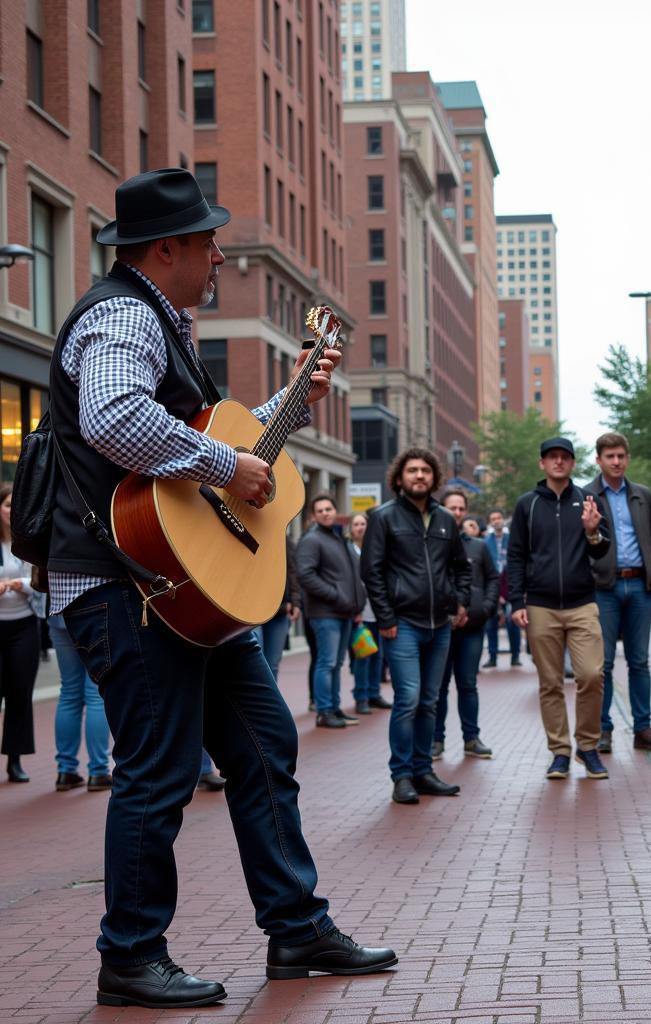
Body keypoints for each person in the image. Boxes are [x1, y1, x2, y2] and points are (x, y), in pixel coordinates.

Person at [46, 169, 396, 1008]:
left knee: (264, 746)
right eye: (205, 242)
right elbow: (113, 418)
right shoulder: (125, 313)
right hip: (122, 583)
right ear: (162, 248)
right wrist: (224, 464)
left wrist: (293, 403)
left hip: (178, 588)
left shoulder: (165, 322)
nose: (217, 256)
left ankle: (296, 928)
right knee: (158, 769)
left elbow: (222, 450)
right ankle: (129, 953)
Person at [360, 447, 471, 805]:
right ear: (399, 477)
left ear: (434, 477)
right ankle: (402, 776)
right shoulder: (383, 517)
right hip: (403, 624)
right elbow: (371, 571)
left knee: (430, 699)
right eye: (413, 470)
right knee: (407, 698)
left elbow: (461, 566)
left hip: (440, 623)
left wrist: (460, 601)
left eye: (425, 470)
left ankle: (424, 771)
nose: (419, 475)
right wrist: (386, 617)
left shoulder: (444, 519)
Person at [506, 437, 611, 781]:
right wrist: (516, 601)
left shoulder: (587, 501)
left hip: (582, 603)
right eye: (552, 457)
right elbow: (516, 556)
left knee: (592, 676)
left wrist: (593, 532)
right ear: (542, 463)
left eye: (565, 457)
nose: (559, 462)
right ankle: (560, 752)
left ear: (573, 463)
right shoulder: (527, 505)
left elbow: (601, 551)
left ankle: (588, 746)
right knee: (550, 682)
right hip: (540, 605)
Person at [582, 433, 651, 754]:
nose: (616, 462)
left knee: (639, 662)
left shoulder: (642, 495)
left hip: (640, 586)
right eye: (610, 457)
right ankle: (603, 730)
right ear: (599, 460)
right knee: (602, 664)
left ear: (627, 458)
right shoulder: (587, 496)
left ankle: (642, 729)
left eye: (621, 456)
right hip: (604, 588)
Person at [432, 489, 499, 761]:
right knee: (438, 686)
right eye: (452, 508)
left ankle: (471, 738)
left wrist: (486, 608)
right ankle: (436, 740)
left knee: (468, 684)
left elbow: (493, 578)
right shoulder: (434, 543)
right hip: (441, 626)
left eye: (461, 508)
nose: (457, 513)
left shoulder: (479, 546)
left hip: (472, 626)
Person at [297, 494, 365, 728]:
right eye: (320, 510)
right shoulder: (312, 540)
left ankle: (334, 708)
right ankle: (324, 711)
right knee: (326, 663)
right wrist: (336, 596)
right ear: (314, 515)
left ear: (335, 511)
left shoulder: (338, 538)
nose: (326, 513)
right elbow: (305, 575)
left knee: (336, 663)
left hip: (345, 612)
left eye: (329, 509)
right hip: (325, 613)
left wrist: (355, 605)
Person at [0, 484, 41, 784]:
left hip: (25, 624)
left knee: (20, 693)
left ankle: (15, 761)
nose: (11, 511)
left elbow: (38, 579)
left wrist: (22, 585)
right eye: (6, 505)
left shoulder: (26, 539)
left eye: (15, 504)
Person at [50, 609, 112, 791]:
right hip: (92, 613)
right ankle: (98, 771)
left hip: (58, 615)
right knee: (96, 695)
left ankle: (65, 771)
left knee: (69, 692)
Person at [349, 512, 389, 715]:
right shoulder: (349, 552)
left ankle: (375, 693)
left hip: (379, 612)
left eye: (363, 523)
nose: (360, 527)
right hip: (360, 613)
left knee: (378, 655)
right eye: (356, 524)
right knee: (362, 656)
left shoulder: (378, 549)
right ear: (351, 529)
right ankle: (361, 697)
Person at [255, 535, 300, 683]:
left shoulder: (283, 538)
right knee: (256, 662)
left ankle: (267, 705)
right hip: (253, 612)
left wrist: (295, 602)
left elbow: (293, 572)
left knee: (273, 665)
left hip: (280, 610)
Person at [483, 509, 522, 668]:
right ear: (490, 522)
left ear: (503, 520)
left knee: (513, 621)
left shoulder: (512, 538)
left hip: (511, 586)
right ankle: (492, 657)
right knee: (491, 623)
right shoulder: (486, 541)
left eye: (498, 517)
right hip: (493, 587)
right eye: (493, 518)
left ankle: (515, 655)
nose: (496, 521)